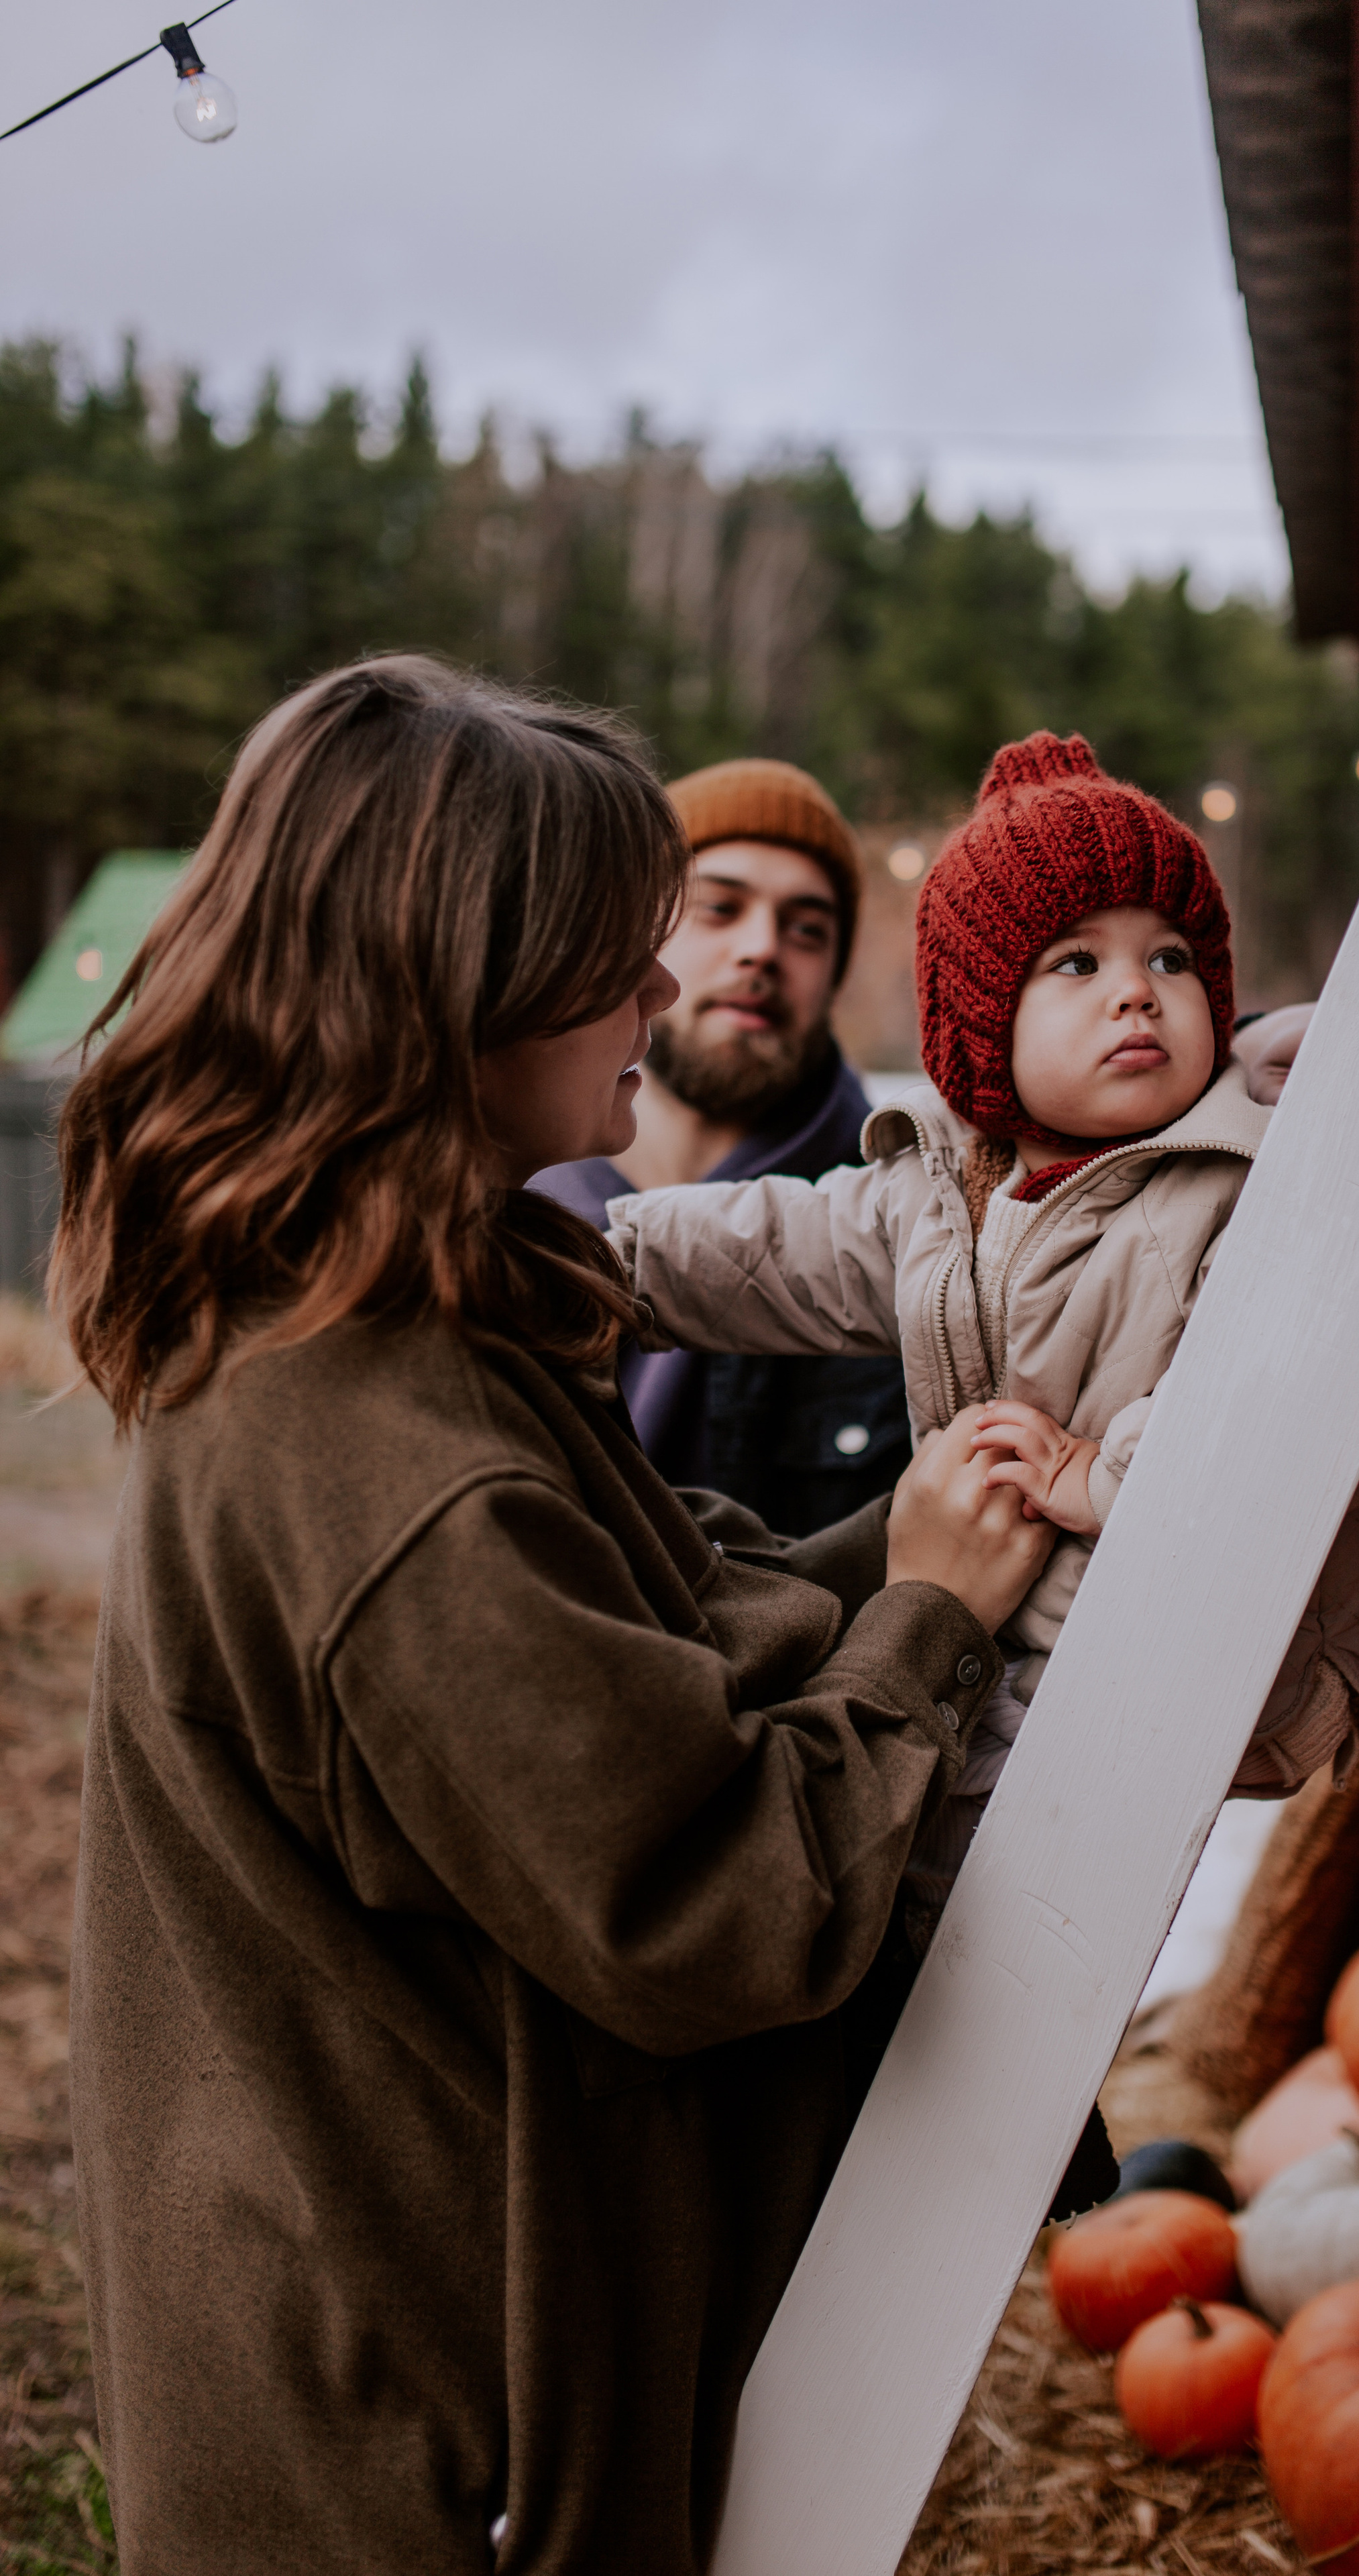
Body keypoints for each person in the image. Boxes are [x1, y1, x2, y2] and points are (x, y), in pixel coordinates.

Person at [54, 657, 1055, 2576]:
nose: (669, 987)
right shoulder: (383, 1457)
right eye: (625, 944)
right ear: (463, 981)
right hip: (415, 2447)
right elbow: (708, 1904)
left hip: (374, 2330)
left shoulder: (386, 1307)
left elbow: (658, 1607)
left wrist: (929, 1537)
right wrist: (922, 1623)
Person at [606, 731, 1359, 1948]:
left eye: (1169, 957)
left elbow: (1312, 1401)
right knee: (926, 1925)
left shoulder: (1246, 1184)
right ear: (985, 1031)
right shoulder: (942, 1190)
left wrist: (1104, 1474)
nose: (1138, 989)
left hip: (1191, 1647)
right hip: (1013, 1654)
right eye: (1075, 964)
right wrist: (591, 1258)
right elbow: (772, 1247)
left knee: (1007, 1925)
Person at [533, 757, 912, 1535]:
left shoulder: (900, 1223)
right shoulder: (503, 1184)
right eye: (719, 909)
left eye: (807, 929)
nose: (762, 950)